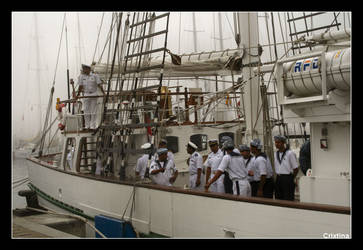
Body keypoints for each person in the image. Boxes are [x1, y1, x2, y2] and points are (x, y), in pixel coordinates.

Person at [76, 64, 104, 130]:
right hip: (86, 94)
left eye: (85, 68)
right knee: (86, 110)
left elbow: (99, 85)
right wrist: (78, 95)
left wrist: (103, 93)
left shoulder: (95, 76)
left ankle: (92, 126)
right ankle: (87, 125)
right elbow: (80, 86)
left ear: (88, 69)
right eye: (83, 68)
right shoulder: (81, 77)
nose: (84, 70)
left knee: (93, 110)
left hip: (94, 94)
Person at [273, 135, 299, 201]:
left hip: (287, 178)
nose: (276, 144)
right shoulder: (276, 154)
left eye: (278, 142)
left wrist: (291, 178)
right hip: (279, 178)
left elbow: (296, 168)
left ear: (283, 143)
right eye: (275, 142)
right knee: (278, 198)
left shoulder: (290, 153)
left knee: (288, 198)